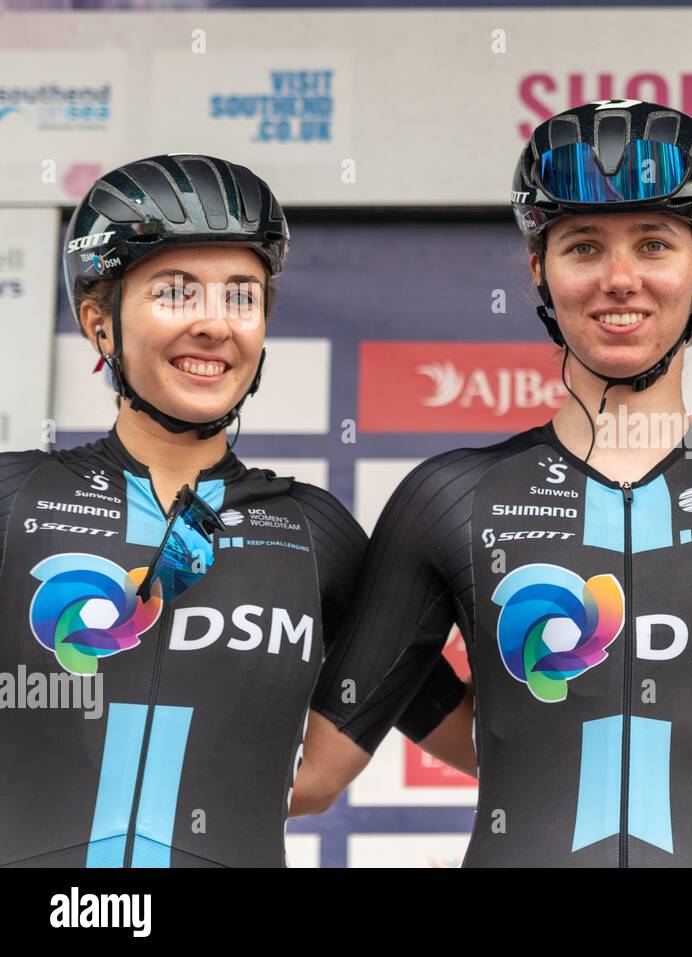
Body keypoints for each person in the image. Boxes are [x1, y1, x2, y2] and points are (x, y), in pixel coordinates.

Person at [297, 100, 692, 866]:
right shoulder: (449, 498)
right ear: (540, 275)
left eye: (653, 243)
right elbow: (313, 777)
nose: (620, 280)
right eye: (583, 247)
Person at [0, 154, 464, 868]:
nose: (215, 325)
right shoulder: (13, 500)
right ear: (98, 323)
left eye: (241, 296)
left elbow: (494, 739)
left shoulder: (318, 534)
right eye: (176, 292)